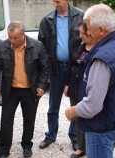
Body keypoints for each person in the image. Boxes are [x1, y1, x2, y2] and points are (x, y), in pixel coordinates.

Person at [65, 3, 115, 158]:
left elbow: (92, 106)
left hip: (102, 127)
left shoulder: (103, 58)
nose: (86, 31)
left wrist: (73, 110)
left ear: (101, 30)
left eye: (89, 27)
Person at [0, 21, 49, 158]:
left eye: (15, 38)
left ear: (23, 35)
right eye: (10, 37)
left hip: (30, 90)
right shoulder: (3, 46)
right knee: (6, 120)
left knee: (29, 120)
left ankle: (27, 146)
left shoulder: (37, 46)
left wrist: (42, 85)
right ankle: (4, 150)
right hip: (10, 90)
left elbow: (45, 68)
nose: (12, 41)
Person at [38, 0, 84, 150]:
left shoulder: (81, 16)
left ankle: (75, 137)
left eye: (57, 1)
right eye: (53, 1)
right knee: (53, 105)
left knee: (75, 104)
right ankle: (51, 135)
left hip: (75, 69)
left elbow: (86, 42)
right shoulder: (47, 19)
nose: (55, 3)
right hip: (56, 69)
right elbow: (41, 45)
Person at [63, 21, 95, 158]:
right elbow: (71, 64)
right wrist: (67, 84)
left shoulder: (99, 48)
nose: (80, 36)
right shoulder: (78, 43)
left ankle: (90, 153)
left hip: (88, 90)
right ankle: (81, 147)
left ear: (91, 33)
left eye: (83, 33)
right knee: (77, 119)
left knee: (90, 120)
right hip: (75, 87)